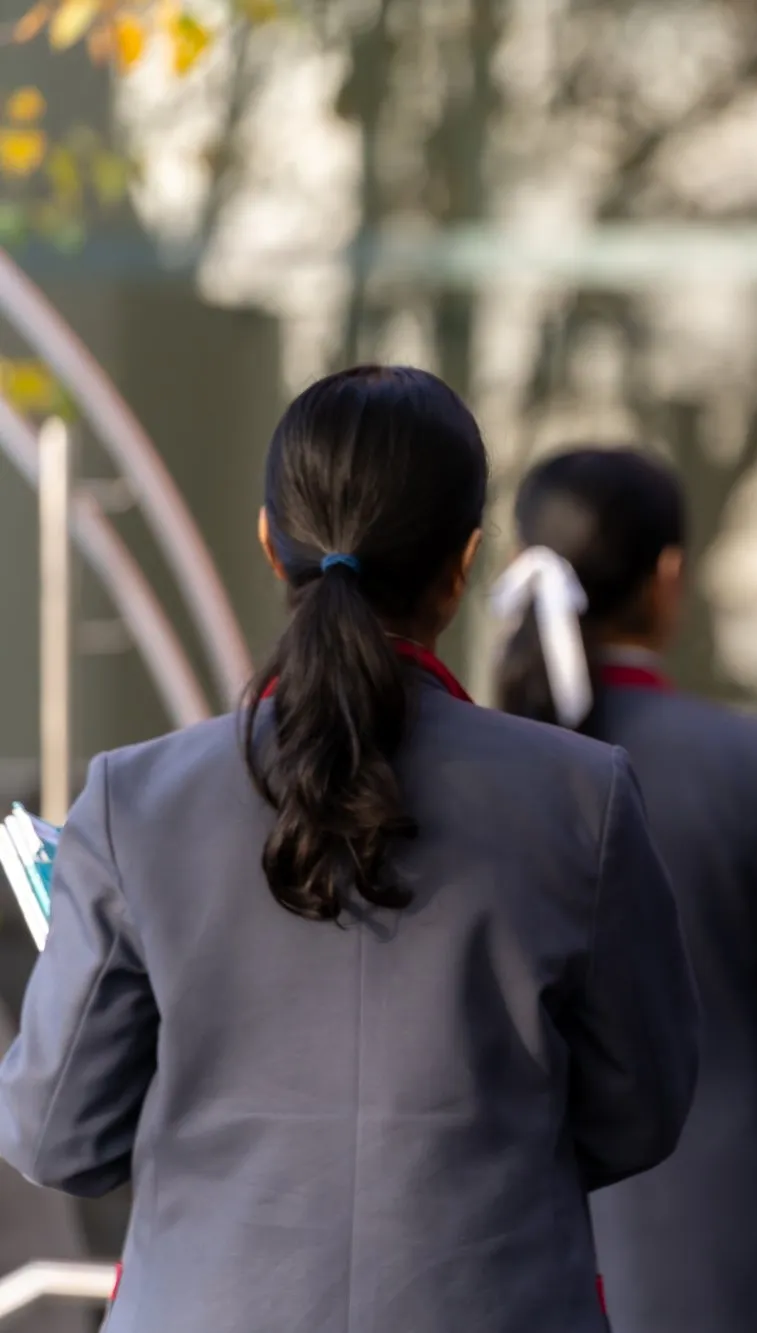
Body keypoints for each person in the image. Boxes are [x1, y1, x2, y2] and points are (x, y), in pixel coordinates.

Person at [0, 366, 700, 1333]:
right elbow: (641, 1112)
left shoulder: (133, 801)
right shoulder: (584, 797)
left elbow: (56, 1134)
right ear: (463, 563)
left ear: (265, 541)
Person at [495, 446, 757, 1333]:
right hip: (709, 1215)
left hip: (502, 1205)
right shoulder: (746, 762)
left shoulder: (472, 768)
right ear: (668, 576)